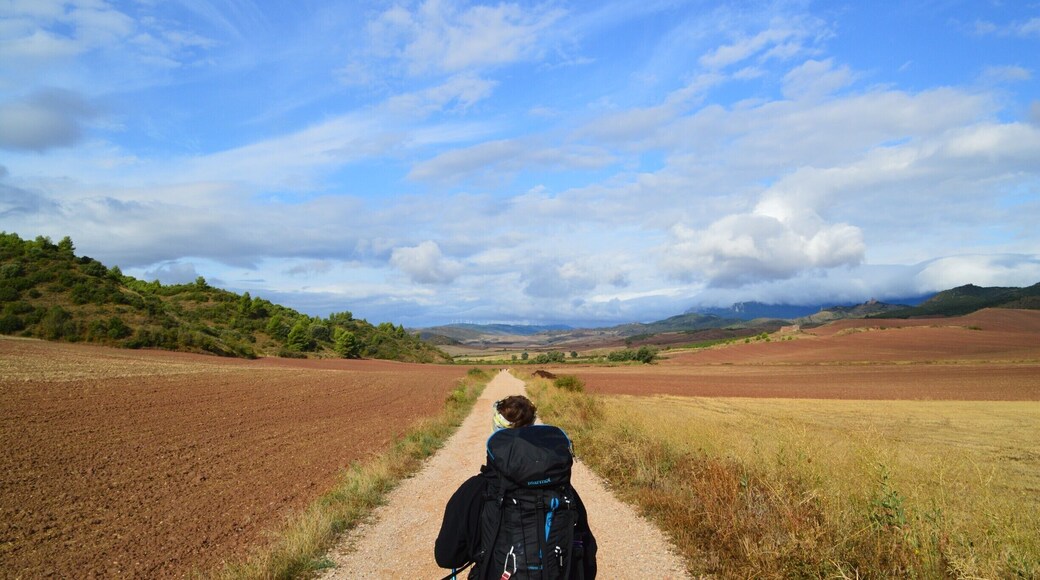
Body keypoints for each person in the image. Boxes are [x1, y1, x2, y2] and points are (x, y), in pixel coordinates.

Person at [435, 395, 597, 579]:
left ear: (496, 430)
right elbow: (587, 556)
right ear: (534, 429)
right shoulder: (563, 490)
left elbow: (447, 557)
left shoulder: (476, 490)